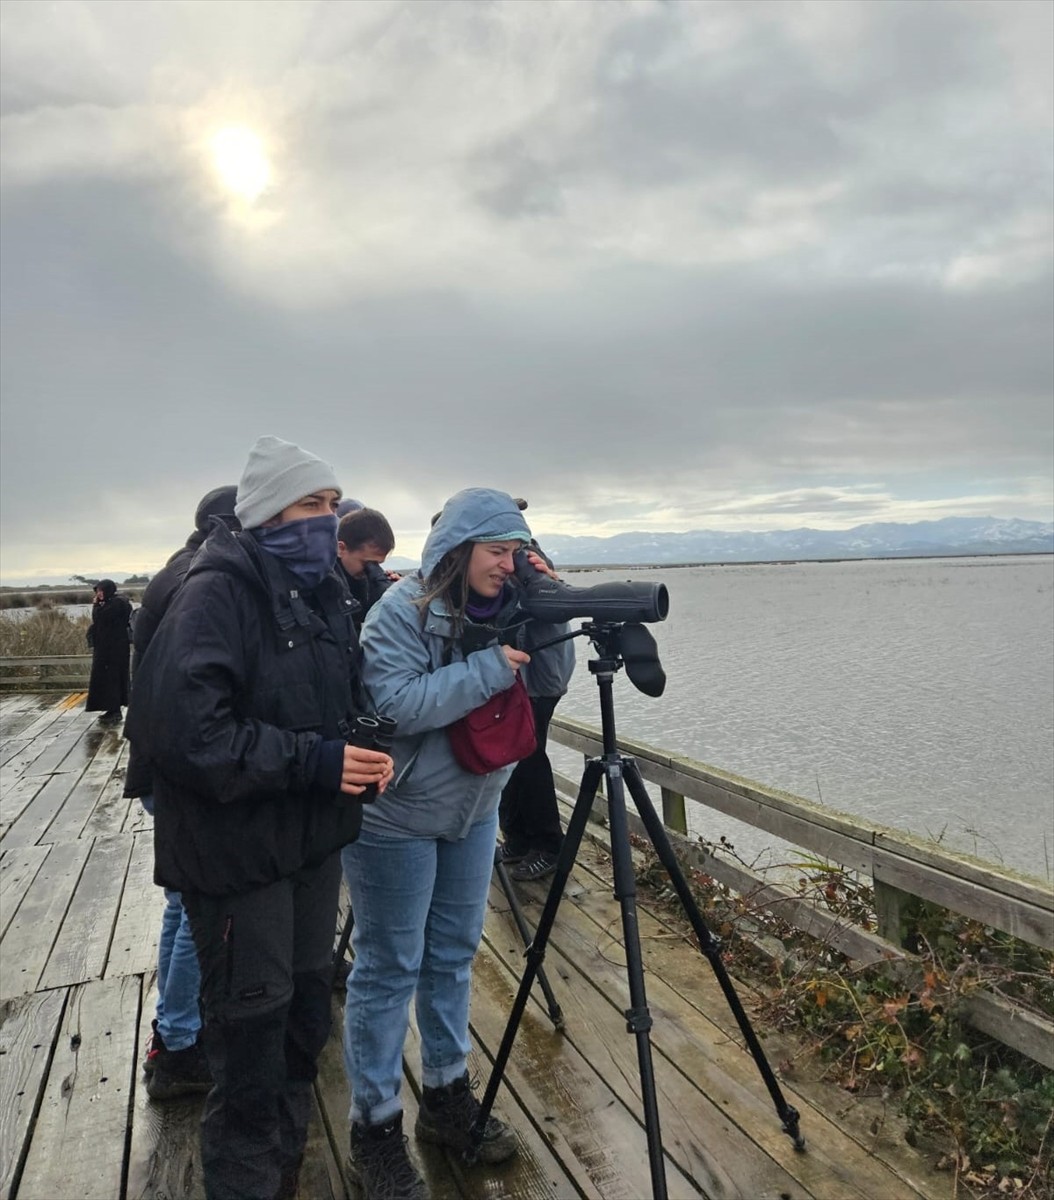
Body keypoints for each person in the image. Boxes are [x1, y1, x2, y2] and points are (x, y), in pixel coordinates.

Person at [125, 436, 393, 1200]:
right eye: (312, 504)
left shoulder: (321, 592)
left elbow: (337, 697)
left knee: (303, 1024)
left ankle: (283, 1173)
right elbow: (186, 734)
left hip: (311, 846)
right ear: (269, 512)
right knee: (249, 1045)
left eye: (332, 503)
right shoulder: (215, 592)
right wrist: (314, 761)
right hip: (235, 857)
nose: (327, 518)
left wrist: (365, 746)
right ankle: (246, 1178)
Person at [342, 486, 568, 1199]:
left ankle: (445, 1095)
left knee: (453, 954)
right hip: (396, 816)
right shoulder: (401, 611)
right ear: (457, 550)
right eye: (497, 551)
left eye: (518, 552)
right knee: (389, 966)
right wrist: (490, 667)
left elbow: (549, 685)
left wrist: (550, 614)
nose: (508, 564)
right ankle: (375, 1127)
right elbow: (395, 703)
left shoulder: (513, 605)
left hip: (475, 810)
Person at [122, 485, 240, 1101]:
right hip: (182, 773)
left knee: (182, 904)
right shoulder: (201, 582)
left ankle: (173, 1034)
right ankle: (180, 1043)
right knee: (203, 909)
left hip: (157, 765)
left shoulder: (176, 571)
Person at [497, 526, 576, 882]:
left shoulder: (528, 560)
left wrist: (540, 577)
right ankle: (517, 838)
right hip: (518, 679)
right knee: (509, 758)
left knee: (529, 757)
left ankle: (548, 846)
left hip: (539, 680)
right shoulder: (509, 558)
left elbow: (552, 603)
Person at [335, 506, 397, 630]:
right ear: (341, 549)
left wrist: (398, 592)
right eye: (367, 563)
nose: (370, 570)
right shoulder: (323, 588)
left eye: (378, 564)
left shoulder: (368, 583)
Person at [85, 579, 132, 725]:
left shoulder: (116, 604)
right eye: (97, 591)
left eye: (101, 591)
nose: (99, 594)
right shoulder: (115, 602)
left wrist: (95, 605)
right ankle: (112, 709)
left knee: (112, 679)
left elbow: (99, 618)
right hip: (110, 648)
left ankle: (115, 711)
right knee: (107, 679)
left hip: (113, 649)